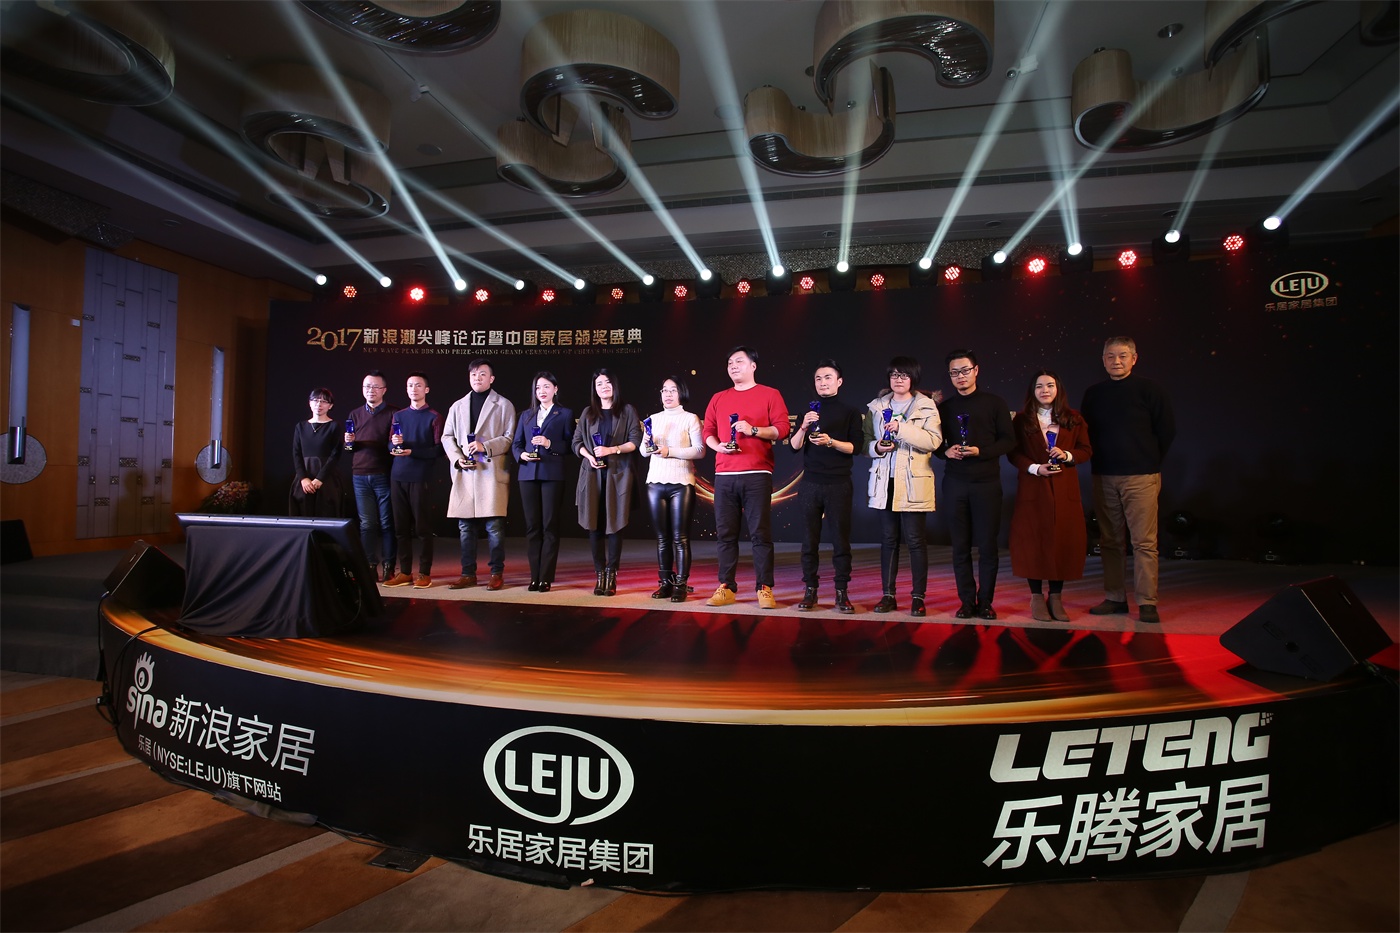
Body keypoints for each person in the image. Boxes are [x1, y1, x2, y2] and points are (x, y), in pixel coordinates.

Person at [1080, 337, 1176, 624]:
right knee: (1110, 541)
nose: (1116, 361)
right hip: (1104, 475)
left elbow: (1166, 431)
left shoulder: (1150, 390)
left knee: (1144, 542)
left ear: (1134, 358)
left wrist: (1148, 460)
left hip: (1141, 476)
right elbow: (1085, 433)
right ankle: (1115, 597)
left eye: (1123, 356)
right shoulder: (1093, 394)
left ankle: (1147, 602)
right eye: (1110, 356)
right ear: (1103, 360)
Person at [703, 346, 790, 609]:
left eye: (739, 361)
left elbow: (782, 429)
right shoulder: (718, 397)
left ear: (753, 365)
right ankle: (726, 586)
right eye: (730, 362)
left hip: (757, 473)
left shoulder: (770, 394)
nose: (733, 366)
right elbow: (708, 431)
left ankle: (764, 587)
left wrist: (754, 430)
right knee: (725, 534)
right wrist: (718, 446)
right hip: (724, 474)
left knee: (760, 534)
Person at [935, 349, 1015, 620]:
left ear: (976, 370)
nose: (960, 376)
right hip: (955, 483)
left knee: (987, 546)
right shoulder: (944, 408)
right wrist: (944, 452)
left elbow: (1009, 441)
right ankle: (967, 601)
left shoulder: (995, 403)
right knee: (960, 546)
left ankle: (986, 602)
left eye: (965, 370)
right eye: (954, 372)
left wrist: (981, 451)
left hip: (986, 484)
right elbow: (934, 442)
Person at [1008, 370, 1092, 621]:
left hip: (1064, 487)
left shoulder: (1074, 419)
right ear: (1032, 391)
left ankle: (1055, 597)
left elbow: (1086, 450)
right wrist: (1035, 468)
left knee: (1062, 541)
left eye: (1050, 385)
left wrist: (1066, 455)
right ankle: (1036, 597)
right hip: (1033, 486)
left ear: (1058, 389)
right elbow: (1013, 453)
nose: (1044, 390)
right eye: (1039, 386)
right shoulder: (1021, 420)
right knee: (1033, 541)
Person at [864, 356, 942, 616]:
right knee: (888, 541)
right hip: (885, 482)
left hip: (913, 482)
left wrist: (902, 429)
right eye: (894, 375)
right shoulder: (876, 406)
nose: (898, 379)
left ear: (913, 378)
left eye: (904, 375)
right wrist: (877, 447)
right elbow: (865, 442)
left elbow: (934, 441)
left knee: (916, 541)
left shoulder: (926, 406)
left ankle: (918, 598)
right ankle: (888, 595)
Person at [789, 359, 863, 613]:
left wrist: (831, 442)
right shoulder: (808, 413)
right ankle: (810, 590)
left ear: (839, 381)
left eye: (828, 378)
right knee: (809, 541)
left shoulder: (850, 412)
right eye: (818, 378)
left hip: (839, 483)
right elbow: (794, 446)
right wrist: (803, 426)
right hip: (810, 483)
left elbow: (856, 447)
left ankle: (842, 592)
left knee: (841, 541)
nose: (823, 383)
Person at [442, 359, 516, 591]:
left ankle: (496, 573)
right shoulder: (458, 406)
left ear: (491, 378)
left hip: (490, 472)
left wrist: (486, 446)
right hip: (466, 471)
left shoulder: (503, 404)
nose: (477, 378)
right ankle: (468, 574)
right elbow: (447, 436)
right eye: (474, 374)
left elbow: (509, 437)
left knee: (494, 527)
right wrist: (457, 458)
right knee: (465, 528)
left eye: (482, 374)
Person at [573, 369, 642, 597]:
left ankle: (612, 574)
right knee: (594, 526)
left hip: (617, 476)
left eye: (607, 382)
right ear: (595, 389)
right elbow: (576, 442)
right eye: (599, 383)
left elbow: (635, 441)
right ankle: (600, 574)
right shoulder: (588, 412)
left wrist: (611, 450)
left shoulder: (627, 410)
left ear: (615, 385)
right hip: (592, 475)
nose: (604, 387)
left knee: (615, 525)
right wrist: (588, 456)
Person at [640, 376, 705, 601]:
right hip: (655, 482)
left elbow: (700, 450)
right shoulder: (652, 419)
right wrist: (647, 443)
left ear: (681, 393)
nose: (667, 394)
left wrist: (670, 451)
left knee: (680, 537)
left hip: (681, 483)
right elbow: (643, 452)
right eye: (664, 390)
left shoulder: (690, 418)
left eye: (673, 390)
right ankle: (665, 582)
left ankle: (681, 583)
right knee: (662, 538)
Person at [512, 371, 573, 592]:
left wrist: (549, 444)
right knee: (532, 527)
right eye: (538, 388)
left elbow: (570, 445)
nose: (542, 391)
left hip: (552, 474)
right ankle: (534, 576)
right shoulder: (526, 415)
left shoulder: (564, 414)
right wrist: (521, 455)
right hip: (527, 474)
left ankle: (545, 577)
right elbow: (516, 444)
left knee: (549, 526)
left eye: (546, 386)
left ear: (555, 389)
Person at [384, 372, 443, 588]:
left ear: (426, 390)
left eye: (418, 385)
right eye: (410, 385)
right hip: (397, 476)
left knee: (422, 528)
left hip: (420, 477)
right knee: (400, 528)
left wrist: (413, 451)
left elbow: (439, 450)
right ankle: (405, 572)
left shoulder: (434, 416)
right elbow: (390, 444)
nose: (413, 389)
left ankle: (424, 573)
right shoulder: (399, 415)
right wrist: (394, 445)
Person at [345, 370, 398, 581]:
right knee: (367, 524)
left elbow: (394, 444)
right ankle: (369, 565)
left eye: (375, 387)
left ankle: (388, 566)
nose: (371, 390)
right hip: (359, 475)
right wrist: (349, 443)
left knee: (387, 523)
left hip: (384, 473)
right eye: (367, 386)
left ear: (384, 390)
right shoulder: (355, 414)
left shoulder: (394, 413)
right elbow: (349, 448)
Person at [290, 387, 345, 517]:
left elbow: (335, 454)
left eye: (324, 401)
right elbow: (296, 453)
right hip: (304, 477)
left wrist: (320, 479)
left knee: (327, 513)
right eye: (315, 400)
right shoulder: (300, 427)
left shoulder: (334, 426)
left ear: (330, 406)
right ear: (310, 403)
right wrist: (303, 478)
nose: (319, 404)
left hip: (327, 478)